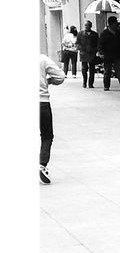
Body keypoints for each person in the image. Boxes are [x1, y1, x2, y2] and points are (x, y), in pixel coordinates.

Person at [39, 51, 66, 184]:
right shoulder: (42, 59)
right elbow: (60, 76)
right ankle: (42, 166)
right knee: (46, 136)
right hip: (42, 102)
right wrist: (49, 80)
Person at [99, 16, 120, 91]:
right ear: (111, 24)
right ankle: (106, 86)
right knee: (107, 71)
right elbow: (100, 44)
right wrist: (101, 53)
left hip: (119, 54)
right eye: (115, 23)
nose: (117, 25)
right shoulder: (104, 34)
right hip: (108, 55)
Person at [76, 21, 98, 88]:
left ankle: (91, 83)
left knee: (92, 69)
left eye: (88, 25)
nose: (86, 27)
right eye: (85, 25)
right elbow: (77, 42)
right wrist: (80, 48)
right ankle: (84, 82)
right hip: (84, 53)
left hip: (92, 53)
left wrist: (95, 50)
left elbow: (97, 43)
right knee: (84, 68)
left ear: (90, 26)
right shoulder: (80, 33)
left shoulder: (94, 34)